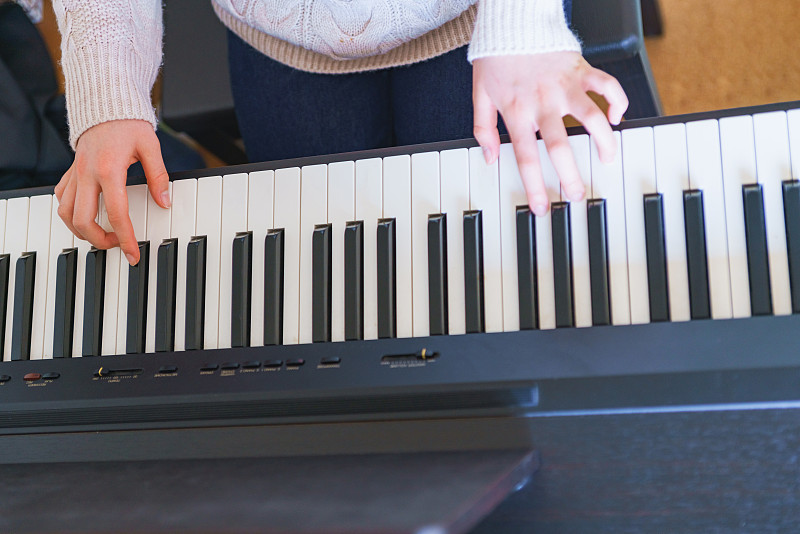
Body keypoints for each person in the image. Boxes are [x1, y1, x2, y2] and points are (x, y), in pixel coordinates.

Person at [51, 0, 628, 266]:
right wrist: (109, 88)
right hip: (278, 36)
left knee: (492, 263)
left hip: (481, 23)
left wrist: (524, 20)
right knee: (333, 281)